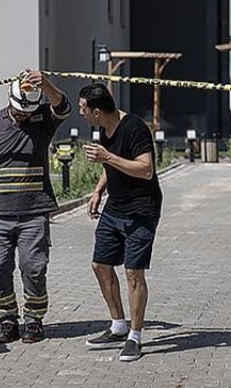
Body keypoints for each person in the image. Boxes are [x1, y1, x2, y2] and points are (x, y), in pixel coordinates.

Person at [0, 70, 70, 345]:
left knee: (33, 267)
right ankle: (7, 320)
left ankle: (34, 320)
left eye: (29, 110)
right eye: (20, 110)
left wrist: (44, 81)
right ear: (9, 100)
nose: (24, 115)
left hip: (34, 212)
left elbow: (63, 105)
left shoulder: (42, 119)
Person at [79, 83, 161, 363]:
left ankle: (135, 337)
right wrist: (99, 189)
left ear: (98, 112)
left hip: (141, 209)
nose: (82, 113)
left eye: (83, 109)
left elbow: (146, 169)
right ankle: (118, 325)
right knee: (100, 264)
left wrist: (107, 156)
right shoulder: (105, 127)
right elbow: (111, 165)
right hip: (115, 206)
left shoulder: (135, 128)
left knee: (133, 273)